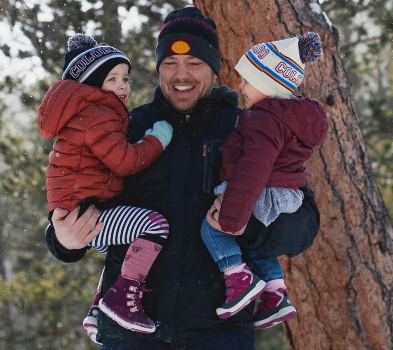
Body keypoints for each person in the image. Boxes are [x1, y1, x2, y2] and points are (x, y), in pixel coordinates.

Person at [45, 6, 321, 349]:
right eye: (170, 63)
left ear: (214, 68)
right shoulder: (130, 129)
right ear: (158, 67)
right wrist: (62, 240)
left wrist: (251, 229)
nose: (181, 75)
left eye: (195, 63)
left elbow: (305, 222)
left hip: (220, 331)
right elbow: (77, 185)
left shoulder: (248, 128)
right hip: (131, 333)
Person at [38, 33, 173, 337]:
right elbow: (125, 161)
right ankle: (119, 302)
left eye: (125, 78)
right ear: (92, 85)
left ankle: (99, 306)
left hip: (87, 205)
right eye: (112, 79)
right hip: (87, 210)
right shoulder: (99, 116)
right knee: (154, 226)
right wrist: (156, 141)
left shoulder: (91, 114)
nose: (124, 86)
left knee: (125, 245)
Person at [200, 33, 327, 328]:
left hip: (260, 192)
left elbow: (253, 169)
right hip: (283, 194)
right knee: (256, 244)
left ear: (268, 83)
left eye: (247, 80)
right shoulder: (288, 117)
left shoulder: (262, 119)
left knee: (214, 229)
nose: (241, 86)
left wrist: (231, 217)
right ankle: (274, 292)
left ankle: (237, 278)